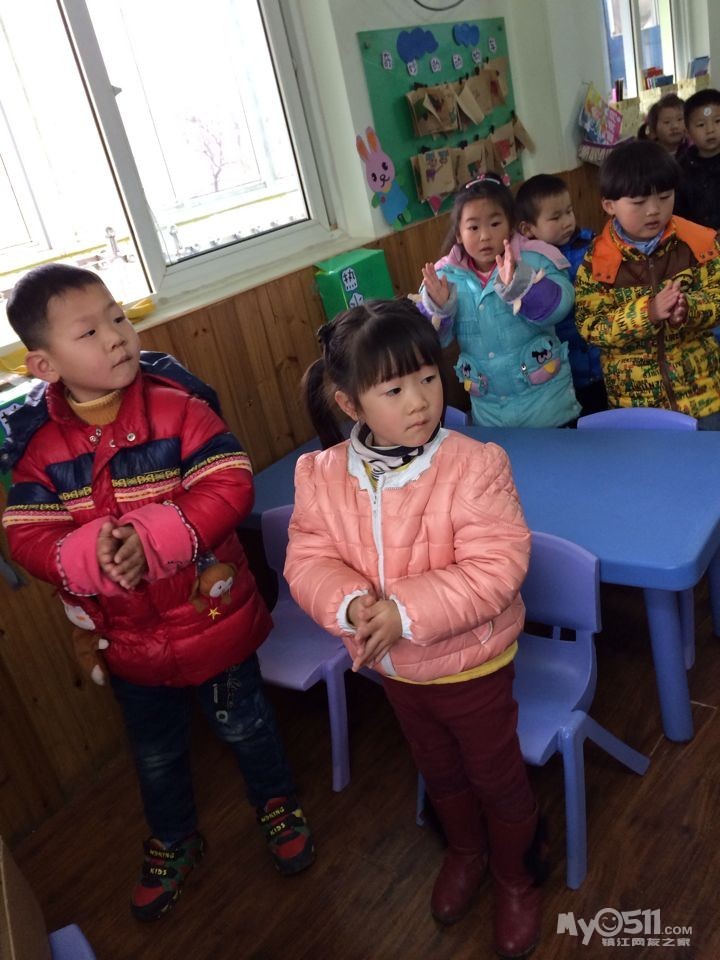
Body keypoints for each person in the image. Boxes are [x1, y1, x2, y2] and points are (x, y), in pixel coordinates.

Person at [0, 264, 314, 922]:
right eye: (89, 331)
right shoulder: (39, 448)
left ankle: (277, 803)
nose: (116, 336)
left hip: (213, 620)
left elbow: (230, 481)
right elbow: (26, 533)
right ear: (45, 365)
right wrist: (88, 553)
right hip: (129, 644)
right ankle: (174, 839)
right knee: (156, 753)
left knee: (249, 726)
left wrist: (152, 538)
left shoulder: (178, 406)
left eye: (117, 317)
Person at [285, 298, 546, 959]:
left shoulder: (474, 463)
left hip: (472, 667)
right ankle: (466, 852)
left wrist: (402, 611)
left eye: (428, 377)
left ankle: (515, 877)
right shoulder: (320, 474)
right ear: (350, 403)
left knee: (497, 779)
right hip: (396, 671)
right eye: (394, 389)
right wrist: (351, 607)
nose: (421, 400)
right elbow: (309, 560)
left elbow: (497, 566)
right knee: (439, 772)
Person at [575, 139, 720, 427]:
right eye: (639, 202)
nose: (654, 210)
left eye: (665, 196)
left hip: (703, 395)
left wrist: (689, 309)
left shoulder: (699, 242)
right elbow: (590, 326)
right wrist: (647, 313)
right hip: (636, 407)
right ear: (609, 205)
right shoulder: (598, 260)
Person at [420, 173, 580, 428]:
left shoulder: (536, 257)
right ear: (459, 233)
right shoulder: (444, 277)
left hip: (549, 409)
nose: (485, 236)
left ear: (511, 224)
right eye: (473, 227)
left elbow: (562, 306)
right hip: (490, 418)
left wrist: (521, 285)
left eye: (495, 223)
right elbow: (430, 341)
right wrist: (439, 308)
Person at [515, 174, 607, 417]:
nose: (567, 222)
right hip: (565, 371)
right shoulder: (529, 264)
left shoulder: (591, 245)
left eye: (569, 211)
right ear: (527, 229)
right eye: (556, 217)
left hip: (602, 359)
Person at [675, 87, 720, 230]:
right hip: (697, 239)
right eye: (701, 125)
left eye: (718, 121)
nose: (710, 130)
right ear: (687, 132)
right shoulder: (681, 168)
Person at [637, 92, 686, 157]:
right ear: (654, 130)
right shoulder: (648, 156)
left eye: (680, 119)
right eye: (667, 122)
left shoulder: (694, 150)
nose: (675, 126)